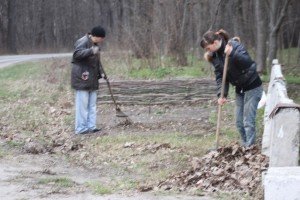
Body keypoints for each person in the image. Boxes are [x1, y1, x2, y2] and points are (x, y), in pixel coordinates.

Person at [200, 29, 263, 147]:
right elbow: (220, 77)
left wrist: (233, 53)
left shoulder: (233, 45)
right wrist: (222, 94)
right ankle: (245, 145)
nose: (207, 51)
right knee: (239, 122)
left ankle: (250, 148)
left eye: (208, 48)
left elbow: (248, 63)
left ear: (214, 43)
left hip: (253, 86)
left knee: (248, 121)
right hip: (240, 89)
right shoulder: (215, 56)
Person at [71, 25, 106, 134]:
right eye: (101, 38)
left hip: (92, 79)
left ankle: (91, 126)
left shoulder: (94, 44)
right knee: (82, 105)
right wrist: (91, 51)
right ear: (97, 36)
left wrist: (102, 73)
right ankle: (80, 128)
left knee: (92, 105)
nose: (102, 41)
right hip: (82, 78)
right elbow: (76, 55)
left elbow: (96, 62)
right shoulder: (83, 41)